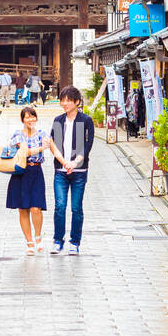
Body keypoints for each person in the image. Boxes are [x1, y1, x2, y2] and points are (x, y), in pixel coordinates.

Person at [5, 106, 62, 254]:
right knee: (23, 209)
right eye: (27, 117)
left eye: (33, 116)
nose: (31, 119)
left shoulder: (42, 134)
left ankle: (38, 236)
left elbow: (53, 149)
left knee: (36, 207)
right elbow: (24, 151)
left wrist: (66, 162)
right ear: (22, 119)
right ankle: (29, 242)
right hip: (21, 172)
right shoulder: (18, 134)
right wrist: (41, 148)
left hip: (36, 171)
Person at [49, 85, 94, 255]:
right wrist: (64, 162)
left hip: (79, 171)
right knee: (60, 206)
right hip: (60, 170)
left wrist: (75, 163)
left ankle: (75, 242)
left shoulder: (85, 120)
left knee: (76, 207)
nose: (65, 103)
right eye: (63, 100)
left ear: (77, 102)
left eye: (68, 100)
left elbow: (88, 144)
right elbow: (52, 143)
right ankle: (57, 240)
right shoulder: (58, 120)